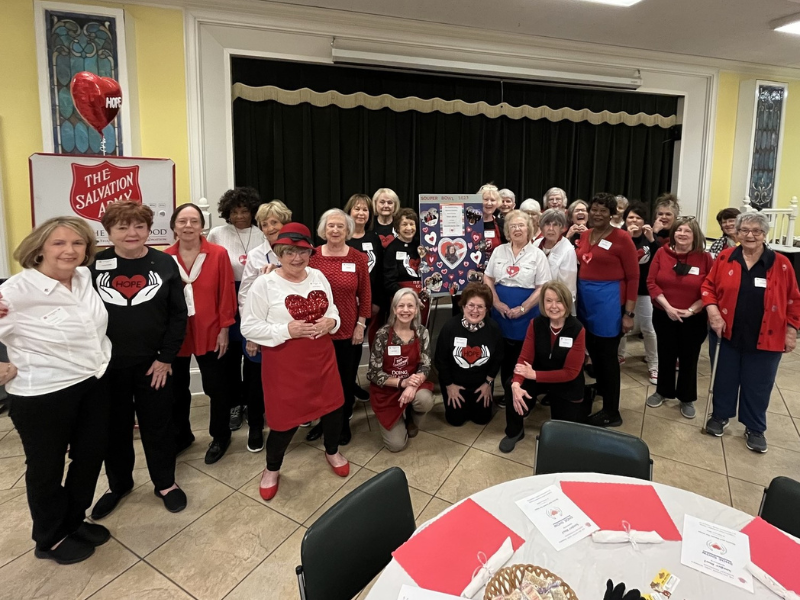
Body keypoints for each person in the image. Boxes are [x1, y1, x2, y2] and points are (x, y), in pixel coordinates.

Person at [0, 217, 112, 564]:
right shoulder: (14, 292)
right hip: (43, 394)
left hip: (92, 382)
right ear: (39, 248)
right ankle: (49, 538)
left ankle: (74, 520)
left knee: (90, 455)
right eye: (59, 243)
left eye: (78, 243)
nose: (70, 250)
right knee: (46, 468)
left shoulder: (84, 277)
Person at [89, 201, 188, 520]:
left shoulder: (165, 263)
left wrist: (165, 358)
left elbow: (178, 315)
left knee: (158, 425)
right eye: (122, 227)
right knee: (114, 429)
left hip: (154, 365)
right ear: (109, 232)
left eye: (139, 226)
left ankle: (165, 483)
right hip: (107, 366)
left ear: (149, 229)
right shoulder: (93, 266)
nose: (132, 233)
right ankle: (119, 485)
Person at [241, 223, 350, 499]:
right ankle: (272, 468)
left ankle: (333, 451)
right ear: (278, 252)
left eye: (302, 251)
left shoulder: (318, 276)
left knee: (334, 408)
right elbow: (249, 327)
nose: (297, 258)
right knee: (283, 420)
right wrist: (285, 330)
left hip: (322, 357)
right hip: (283, 364)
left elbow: (333, 308)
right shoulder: (264, 284)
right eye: (289, 252)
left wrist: (332, 321)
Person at [701, 212, 800, 453]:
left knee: (758, 384)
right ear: (736, 233)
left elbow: (793, 300)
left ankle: (755, 427)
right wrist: (713, 313)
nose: (750, 235)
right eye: (744, 230)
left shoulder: (782, 263)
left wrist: (791, 330)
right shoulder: (725, 257)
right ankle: (720, 416)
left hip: (766, 336)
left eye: (757, 231)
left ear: (765, 235)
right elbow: (708, 287)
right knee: (724, 378)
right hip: (727, 333)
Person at [165, 204, 237, 465]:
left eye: (193, 221)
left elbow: (227, 292)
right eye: (182, 221)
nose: (188, 226)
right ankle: (182, 435)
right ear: (174, 226)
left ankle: (220, 436)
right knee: (176, 389)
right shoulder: (164, 258)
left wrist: (225, 328)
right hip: (177, 334)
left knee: (216, 388)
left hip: (211, 331)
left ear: (202, 225)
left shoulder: (217, 254)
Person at [306, 209, 371, 445]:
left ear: (348, 231)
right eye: (331, 226)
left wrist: (360, 325)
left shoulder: (357, 258)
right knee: (320, 382)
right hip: (317, 331)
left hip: (347, 332)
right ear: (324, 229)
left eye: (340, 226)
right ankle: (324, 422)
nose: (335, 230)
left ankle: (341, 424)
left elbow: (365, 294)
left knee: (344, 381)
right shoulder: (311, 256)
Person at [575, 193, 639, 428]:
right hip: (585, 301)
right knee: (592, 347)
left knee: (607, 356)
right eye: (594, 209)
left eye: (603, 210)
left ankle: (612, 411)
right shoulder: (584, 235)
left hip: (609, 303)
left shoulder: (622, 238)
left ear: (612, 214)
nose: (597, 214)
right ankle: (602, 387)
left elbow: (634, 277)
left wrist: (629, 314)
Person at [500, 281, 587, 452]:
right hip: (537, 373)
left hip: (566, 381)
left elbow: (571, 372)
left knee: (563, 436)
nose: (553, 306)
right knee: (511, 385)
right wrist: (517, 384)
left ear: (567, 303)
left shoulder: (577, 329)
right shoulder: (536, 324)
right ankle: (514, 432)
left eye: (559, 301)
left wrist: (535, 376)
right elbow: (524, 357)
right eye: (548, 301)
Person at [207, 188, 264, 432]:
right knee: (229, 357)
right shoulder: (217, 234)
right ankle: (233, 404)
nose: (240, 216)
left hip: (255, 300)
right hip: (227, 298)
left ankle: (253, 405)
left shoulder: (262, 235)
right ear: (227, 213)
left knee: (254, 359)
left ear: (252, 212)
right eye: (234, 212)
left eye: (244, 211)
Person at [238, 199, 292, 451]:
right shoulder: (256, 256)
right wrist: (251, 334)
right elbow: (245, 295)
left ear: (285, 222)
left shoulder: (299, 249)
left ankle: (292, 417)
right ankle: (256, 426)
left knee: (288, 379)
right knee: (256, 381)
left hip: (291, 329)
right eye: (264, 224)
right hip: (261, 329)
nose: (270, 227)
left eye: (274, 222)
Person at [646, 217, 713, 420]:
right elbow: (651, 282)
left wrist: (692, 310)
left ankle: (686, 397)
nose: (682, 234)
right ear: (673, 233)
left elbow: (710, 287)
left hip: (694, 317)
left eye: (688, 231)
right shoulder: (662, 253)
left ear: (695, 235)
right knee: (666, 353)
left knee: (689, 357)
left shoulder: (705, 258)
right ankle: (663, 391)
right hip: (664, 313)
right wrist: (668, 307)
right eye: (679, 230)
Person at [484, 210, 552, 407]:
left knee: (524, 354)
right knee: (503, 353)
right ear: (507, 230)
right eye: (513, 226)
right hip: (500, 312)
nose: (517, 229)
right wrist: (496, 302)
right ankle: (506, 392)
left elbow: (542, 287)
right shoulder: (499, 251)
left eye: (521, 225)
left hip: (527, 313)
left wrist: (523, 308)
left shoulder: (538, 255)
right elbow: (488, 277)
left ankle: (523, 393)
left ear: (529, 229)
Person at [367, 289, 434, 451]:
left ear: (416, 309)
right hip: (387, 390)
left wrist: (411, 386)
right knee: (396, 446)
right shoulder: (382, 334)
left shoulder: (422, 332)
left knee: (425, 400)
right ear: (394, 309)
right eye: (401, 306)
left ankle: (410, 416)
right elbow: (373, 373)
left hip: (413, 384)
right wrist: (402, 383)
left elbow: (425, 365)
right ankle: (396, 418)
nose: (406, 310)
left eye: (410, 306)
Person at [434, 283, 503, 426]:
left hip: (481, 384)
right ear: (463, 306)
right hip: (454, 383)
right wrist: (449, 385)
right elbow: (440, 360)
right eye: (471, 305)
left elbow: (497, 358)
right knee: (455, 421)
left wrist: (488, 383)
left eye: (480, 306)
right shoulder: (450, 327)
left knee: (482, 420)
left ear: (487, 309)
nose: (475, 310)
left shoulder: (493, 329)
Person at [617, 201, 659, 382]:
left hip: (644, 291)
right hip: (623, 290)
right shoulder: (620, 236)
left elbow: (660, 260)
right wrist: (626, 236)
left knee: (648, 328)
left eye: (638, 218)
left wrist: (652, 239)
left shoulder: (649, 238)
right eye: (630, 217)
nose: (634, 220)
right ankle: (619, 355)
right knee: (621, 327)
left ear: (645, 221)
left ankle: (654, 364)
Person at [346, 193, 384, 355]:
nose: (361, 213)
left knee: (358, 340)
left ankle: (352, 379)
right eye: (357, 209)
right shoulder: (342, 238)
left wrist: (376, 301)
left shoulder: (374, 239)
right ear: (349, 212)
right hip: (345, 302)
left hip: (367, 303)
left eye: (365, 210)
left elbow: (379, 273)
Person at [384, 207, 429, 323]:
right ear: (397, 227)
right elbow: (389, 282)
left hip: (423, 296)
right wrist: (409, 298)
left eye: (411, 224)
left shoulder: (422, 244)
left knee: (421, 330)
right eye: (404, 224)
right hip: (400, 297)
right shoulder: (391, 248)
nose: (409, 228)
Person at [533, 209, 578, 311]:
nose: (551, 229)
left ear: (562, 228)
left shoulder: (567, 250)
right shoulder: (536, 244)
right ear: (541, 227)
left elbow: (567, 287)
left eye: (556, 225)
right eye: (547, 224)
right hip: (535, 299)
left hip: (556, 303)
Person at [478, 184, 507, 270]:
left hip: (496, 270)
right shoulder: (471, 224)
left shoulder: (502, 224)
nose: (489, 203)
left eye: (493, 200)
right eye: (486, 200)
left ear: (497, 203)